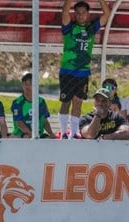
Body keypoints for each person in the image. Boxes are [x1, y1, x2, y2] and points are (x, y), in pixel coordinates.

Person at [58, 0, 111, 139]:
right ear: (75, 14)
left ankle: (74, 133)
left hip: (83, 72)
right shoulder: (69, 27)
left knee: (78, 102)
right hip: (67, 71)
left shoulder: (91, 28)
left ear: (88, 14)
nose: (81, 15)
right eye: (78, 13)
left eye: (84, 13)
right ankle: (63, 133)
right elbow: (64, 12)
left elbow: (107, 14)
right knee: (66, 102)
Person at [11, 73, 55, 138]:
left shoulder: (41, 102)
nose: (28, 87)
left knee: (50, 140)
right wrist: (32, 135)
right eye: (25, 84)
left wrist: (51, 133)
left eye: (31, 84)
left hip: (38, 134)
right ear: (22, 85)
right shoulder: (17, 102)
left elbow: (45, 121)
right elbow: (19, 123)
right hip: (22, 133)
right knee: (27, 137)